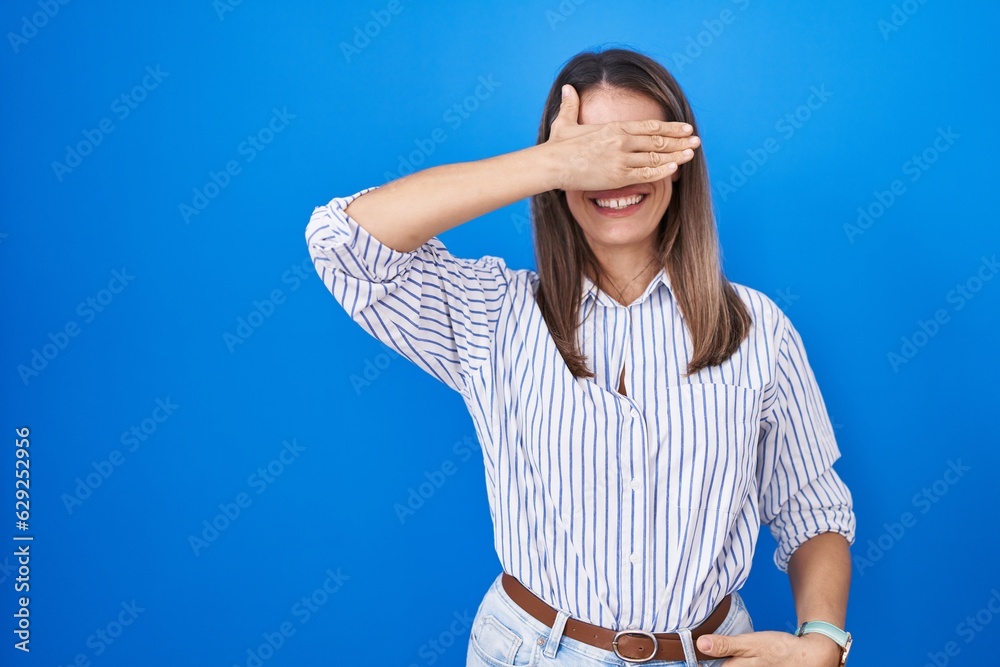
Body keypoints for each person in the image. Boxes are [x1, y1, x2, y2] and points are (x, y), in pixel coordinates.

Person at [305, 47, 856, 667]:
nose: (613, 176)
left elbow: (812, 508)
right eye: (593, 154)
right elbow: (342, 242)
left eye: (637, 150)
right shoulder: (493, 314)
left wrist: (823, 642)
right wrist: (551, 162)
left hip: (707, 653)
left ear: (679, 165)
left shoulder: (757, 329)